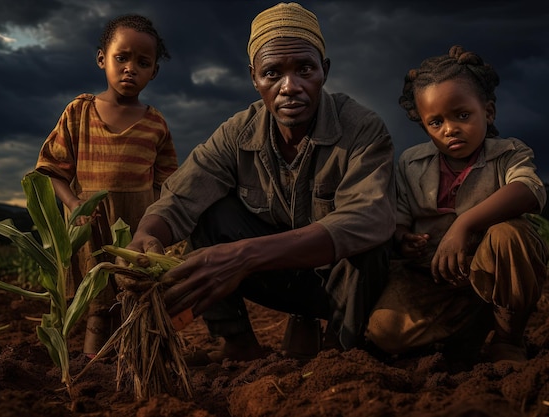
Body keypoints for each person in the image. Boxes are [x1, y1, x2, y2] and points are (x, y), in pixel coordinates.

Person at [126, 2, 395, 363]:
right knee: (209, 214)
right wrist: (147, 235)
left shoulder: (362, 128)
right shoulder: (237, 132)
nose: (290, 87)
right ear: (254, 78)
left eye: (304, 70)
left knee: (369, 243)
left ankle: (339, 350)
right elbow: (181, 195)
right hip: (275, 278)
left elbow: (370, 218)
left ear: (324, 71)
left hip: (343, 287)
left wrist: (243, 256)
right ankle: (237, 343)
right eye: (272, 73)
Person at [365, 45, 549, 365]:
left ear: (488, 112)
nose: (450, 129)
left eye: (462, 115)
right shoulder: (411, 163)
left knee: (510, 235)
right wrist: (403, 238)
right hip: (433, 281)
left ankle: (508, 338)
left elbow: (529, 190)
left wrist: (465, 224)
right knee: (385, 332)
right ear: (424, 126)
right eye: (435, 122)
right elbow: (400, 217)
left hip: (491, 276)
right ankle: (466, 331)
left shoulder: (508, 153)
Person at [35, 14, 178, 357]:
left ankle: (134, 365)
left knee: (136, 301)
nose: (131, 68)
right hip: (93, 226)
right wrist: (75, 207)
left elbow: (167, 184)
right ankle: (91, 367)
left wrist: (162, 230)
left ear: (154, 71)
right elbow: (51, 171)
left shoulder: (156, 123)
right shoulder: (79, 113)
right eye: (121, 58)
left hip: (137, 229)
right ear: (102, 59)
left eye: (143, 63)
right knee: (98, 305)